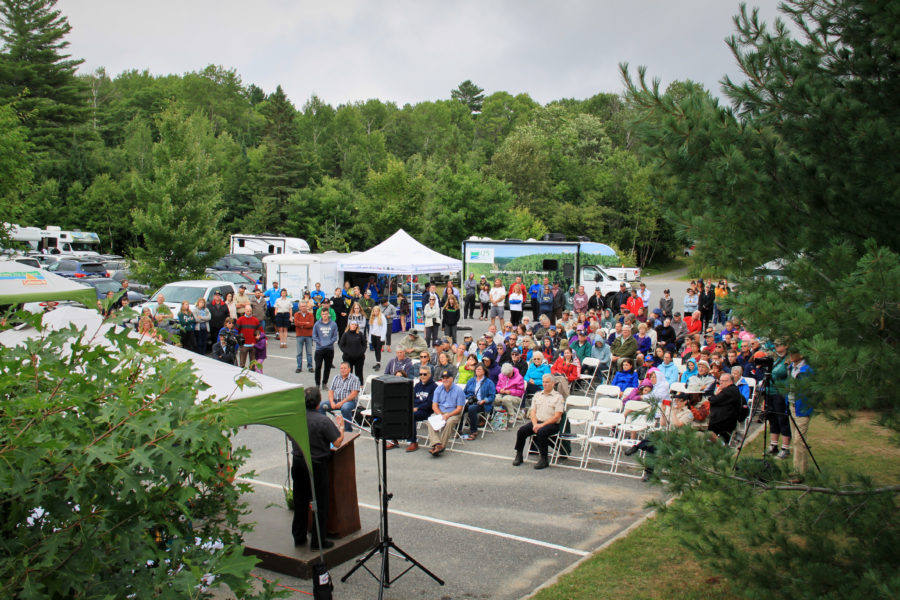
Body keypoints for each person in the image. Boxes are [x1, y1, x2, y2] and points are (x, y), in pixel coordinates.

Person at [291, 387, 343, 550]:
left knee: (300, 499)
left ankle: (298, 536)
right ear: (318, 403)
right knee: (320, 502)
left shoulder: (296, 419)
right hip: (317, 465)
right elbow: (337, 442)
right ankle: (318, 540)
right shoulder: (323, 421)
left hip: (299, 462)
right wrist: (340, 428)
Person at [512, 374, 564, 470]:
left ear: (553, 384)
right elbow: (533, 411)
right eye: (543, 382)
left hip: (551, 423)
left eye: (547, 382)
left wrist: (542, 425)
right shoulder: (537, 395)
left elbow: (557, 416)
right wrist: (535, 424)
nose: (544, 384)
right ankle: (519, 454)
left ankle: (544, 458)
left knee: (542, 431)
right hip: (537, 421)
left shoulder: (558, 397)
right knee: (522, 430)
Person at [427, 369, 467, 456]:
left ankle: (441, 445)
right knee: (430, 420)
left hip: (453, 413)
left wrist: (448, 415)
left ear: (452, 378)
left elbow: (459, 408)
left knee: (449, 422)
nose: (445, 380)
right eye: (443, 378)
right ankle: (437, 444)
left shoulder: (458, 391)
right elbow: (434, 406)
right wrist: (441, 415)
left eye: (447, 378)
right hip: (440, 412)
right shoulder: (438, 389)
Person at [787, 348, 813, 480]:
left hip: (802, 408)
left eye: (794, 353)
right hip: (792, 405)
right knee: (796, 439)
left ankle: (800, 473)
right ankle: (800, 468)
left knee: (799, 440)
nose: (791, 355)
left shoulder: (807, 370)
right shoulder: (791, 367)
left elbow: (812, 390)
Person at [401, 367, 436, 452]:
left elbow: (430, 403)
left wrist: (418, 408)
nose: (422, 376)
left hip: (426, 411)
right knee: (400, 412)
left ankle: (413, 442)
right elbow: (411, 398)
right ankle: (394, 438)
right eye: (420, 374)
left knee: (411, 416)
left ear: (429, 375)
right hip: (415, 408)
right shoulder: (417, 386)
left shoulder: (434, 387)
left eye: (425, 374)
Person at [318, 362, 360, 433]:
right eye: (341, 368)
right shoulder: (336, 377)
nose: (343, 370)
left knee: (345, 408)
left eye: (345, 368)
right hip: (335, 400)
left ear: (349, 369)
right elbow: (331, 391)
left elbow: (354, 394)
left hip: (349, 402)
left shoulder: (355, 379)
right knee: (321, 405)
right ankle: (324, 427)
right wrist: (331, 402)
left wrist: (341, 403)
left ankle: (347, 430)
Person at [462, 363, 496, 440]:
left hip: (482, 404)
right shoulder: (471, 380)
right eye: (476, 369)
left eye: (480, 369)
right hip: (470, 401)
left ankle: (474, 431)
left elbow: (492, 396)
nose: (478, 371)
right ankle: (459, 429)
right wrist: (467, 398)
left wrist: (484, 400)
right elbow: (464, 392)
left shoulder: (489, 382)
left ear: (484, 371)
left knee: (472, 408)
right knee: (461, 407)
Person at [707, 373, 742, 443]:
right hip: (721, 417)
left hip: (726, 420)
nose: (721, 382)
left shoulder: (730, 391)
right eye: (720, 380)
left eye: (724, 381)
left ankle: (720, 443)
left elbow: (713, 400)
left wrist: (714, 394)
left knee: (707, 425)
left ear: (730, 381)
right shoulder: (727, 390)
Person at [312, 308, 339, 388]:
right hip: (319, 349)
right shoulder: (317, 324)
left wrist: (328, 343)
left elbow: (335, 337)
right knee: (318, 366)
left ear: (328, 314)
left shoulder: (333, 324)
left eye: (326, 314)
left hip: (329, 349)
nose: (325, 316)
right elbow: (314, 336)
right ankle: (317, 384)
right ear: (321, 315)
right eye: (323, 314)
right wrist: (321, 343)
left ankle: (325, 383)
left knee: (327, 367)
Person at [293, 300, 315, 374]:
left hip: (308, 335)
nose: (303, 308)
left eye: (304, 306)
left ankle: (310, 366)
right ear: (299, 307)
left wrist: (301, 325)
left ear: (307, 307)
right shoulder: (296, 314)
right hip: (299, 335)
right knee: (299, 352)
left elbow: (311, 324)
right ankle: (299, 367)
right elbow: (296, 323)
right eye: (302, 306)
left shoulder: (311, 314)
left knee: (309, 352)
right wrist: (306, 323)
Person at [369, 305, 387, 370]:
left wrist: (382, 338)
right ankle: (377, 362)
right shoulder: (372, 317)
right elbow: (371, 328)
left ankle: (378, 363)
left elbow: (384, 328)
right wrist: (369, 338)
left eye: (377, 311)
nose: (376, 312)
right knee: (375, 350)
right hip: (373, 335)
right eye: (374, 311)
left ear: (379, 311)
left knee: (378, 350)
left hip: (379, 336)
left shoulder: (382, 317)